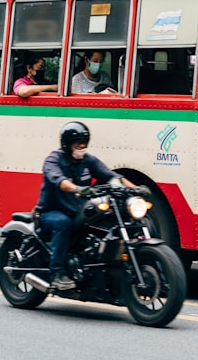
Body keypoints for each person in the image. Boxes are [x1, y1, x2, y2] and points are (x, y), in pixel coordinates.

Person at [35, 121, 134, 290]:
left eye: (84, 142)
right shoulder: (54, 160)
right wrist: (77, 189)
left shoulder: (87, 160)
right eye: (77, 142)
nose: (82, 146)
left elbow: (111, 176)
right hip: (51, 212)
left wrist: (136, 189)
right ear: (66, 143)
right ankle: (58, 273)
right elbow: (59, 180)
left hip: (76, 211)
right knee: (62, 223)